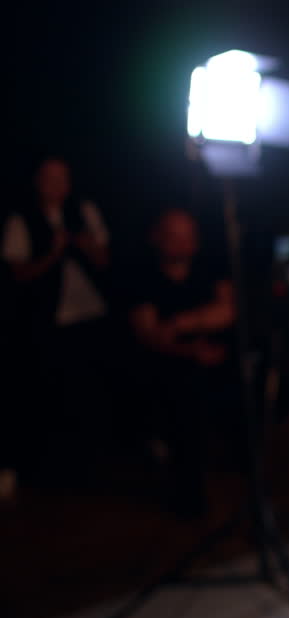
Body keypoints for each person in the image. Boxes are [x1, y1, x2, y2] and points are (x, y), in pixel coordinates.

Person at [1, 156, 112, 487]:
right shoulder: (21, 219)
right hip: (43, 320)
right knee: (38, 391)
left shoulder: (84, 213)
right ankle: (33, 469)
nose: (58, 185)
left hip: (88, 314)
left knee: (85, 393)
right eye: (50, 178)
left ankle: (82, 467)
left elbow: (104, 261)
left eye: (63, 177)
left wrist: (87, 246)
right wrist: (53, 251)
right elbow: (19, 273)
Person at [125, 208, 234, 517]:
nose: (182, 245)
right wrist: (190, 349)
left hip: (216, 358)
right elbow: (148, 335)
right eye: (174, 237)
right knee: (183, 399)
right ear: (157, 238)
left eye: (188, 237)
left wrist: (180, 324)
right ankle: (190, 496)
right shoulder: (142, 277)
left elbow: (227, 311)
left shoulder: (208, 269)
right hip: (169, 366)